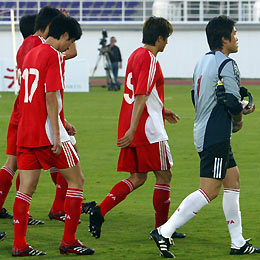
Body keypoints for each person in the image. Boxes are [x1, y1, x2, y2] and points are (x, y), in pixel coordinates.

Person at [150, 15, 259, 258]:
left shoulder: (202, 62)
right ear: (224, 38)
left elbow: (195, 96)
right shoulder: (227, 65)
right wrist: (241, 116)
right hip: (216, 134)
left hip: (203, 130)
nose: (237, 37)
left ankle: (238, 242)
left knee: (234, 181)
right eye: (234, 33)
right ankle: (164, 231)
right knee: (209, 189)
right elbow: (232, 103)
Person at [88, 16, 185, 241]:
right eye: (167, 38)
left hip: (135, 123)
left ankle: (100, 211)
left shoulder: (134, 55)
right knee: (164, 176)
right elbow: (140, 95)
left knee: (139, 176)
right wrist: (134, 128)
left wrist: (162, 110)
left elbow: (141, 95)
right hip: (147, 129)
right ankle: (162, 230)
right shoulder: (150, 59)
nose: (167, 43)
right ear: (159, 38)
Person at [12, 14, 95, 257]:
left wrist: (63, 120)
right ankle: (69, 240)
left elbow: (36, 95)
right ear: (65, 35)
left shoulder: (31, 54)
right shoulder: (52, 56)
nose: (69, 47)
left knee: (25, 188)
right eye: (70, 42)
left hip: (27, 131)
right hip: (47, 132)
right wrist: (57, 134)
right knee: (77, 181)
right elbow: (50, 95)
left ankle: (19, 244)